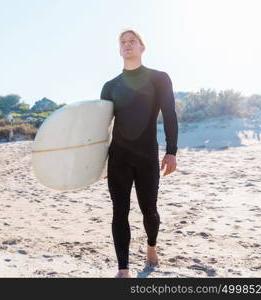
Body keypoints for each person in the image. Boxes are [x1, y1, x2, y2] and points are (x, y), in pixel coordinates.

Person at [100, 29, 178, 278]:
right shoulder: (110, 86)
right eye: (122, 42)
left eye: (132, 41)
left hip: (146, 156)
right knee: (119, 211)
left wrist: (171, 151)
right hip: (119, 158)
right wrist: (98, 163)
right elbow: (101, 128)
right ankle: (123, 269)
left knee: (149, 210)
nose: (127, 45)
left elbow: (169, 114)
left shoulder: (159, 79)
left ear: (142, 47)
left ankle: (151, 246)